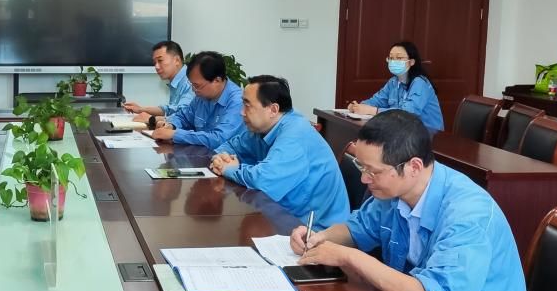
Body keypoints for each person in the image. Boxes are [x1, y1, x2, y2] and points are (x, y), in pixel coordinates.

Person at [291, 110, 528, 291]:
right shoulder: (395, 192)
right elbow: (358, 229)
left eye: (373, 171)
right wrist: (318, 238)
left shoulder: (468, 215)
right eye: (361, 167)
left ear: (413, 166)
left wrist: (348, 256)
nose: (365, 179)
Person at [211, 75, 349, 229]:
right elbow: (230, 146)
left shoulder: (295, 134)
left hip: (316, 230)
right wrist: (221, 158)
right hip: (282, 215)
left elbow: (263, 181)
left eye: (247, 105)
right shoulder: (263, 127)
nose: (241, 112)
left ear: (273, 109)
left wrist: (230, 169)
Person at [150, 51, 244, 150]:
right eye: (192, 84)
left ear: (217, 80)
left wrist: (175, 134)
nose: (193, 90)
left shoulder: (237, 101)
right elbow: (184, 117)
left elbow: (219, 139)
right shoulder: (202, 96)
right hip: (202, 155)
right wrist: (170, 125)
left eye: (197, 85)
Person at [349, 41, 444, 132]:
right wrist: (358, 106)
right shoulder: (393, 82)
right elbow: (376, 101)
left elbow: (408, 113)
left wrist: (374, 111)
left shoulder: (420, 83)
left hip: (427, 134)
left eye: (399, 58)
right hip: (403, 131)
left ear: (411, 62)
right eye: (391, 58)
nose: (394, 61)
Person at [123, 40, 194, 124]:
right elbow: (170, 109)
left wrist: (151, 119)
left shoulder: (190, 81)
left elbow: (183, 117)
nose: (156, 67)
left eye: (160, 60)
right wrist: (141, 109)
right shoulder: (178, 80)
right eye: (155, 63)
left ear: (177, 60)